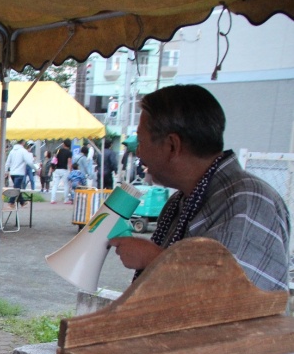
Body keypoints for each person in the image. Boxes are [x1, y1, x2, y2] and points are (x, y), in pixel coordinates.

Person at [109, 84, 290, 293]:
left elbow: (234, 296)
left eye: (141, 142)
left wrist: (153, 259)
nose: (139, 154)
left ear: (172, 146)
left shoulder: (247, 200)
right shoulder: (179, 202)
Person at [51, 139, 73, 204]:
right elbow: (69, 162)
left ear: (64, 144)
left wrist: (52, 167)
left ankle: (52, 199)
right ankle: (66, 200)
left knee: (55, 185)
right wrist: (70, 169)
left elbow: (55, 159)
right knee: (66, 185)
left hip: (57, 169)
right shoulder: (69, 152)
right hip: (64, 170)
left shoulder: (59, 150)